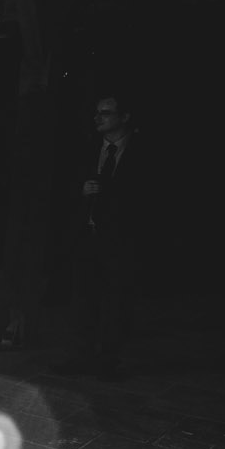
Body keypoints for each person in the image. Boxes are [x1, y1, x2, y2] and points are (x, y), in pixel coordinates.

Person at [59, 92, 145, 380]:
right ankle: (79, 357)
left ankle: (109, 359)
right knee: (82, 299)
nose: (99, 117)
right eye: (97, 112)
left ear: (124, 117)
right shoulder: (89, 149)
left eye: (106, 112)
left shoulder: (138, 151)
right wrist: (81, 192)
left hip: (120, 239)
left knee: (114, 301)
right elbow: (67, 184)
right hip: (88, 234)